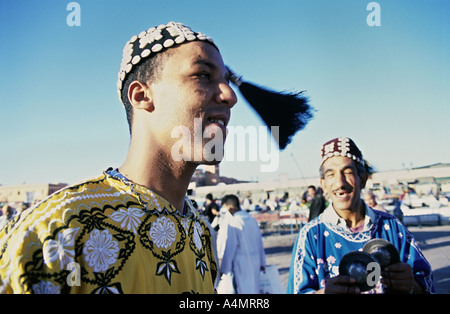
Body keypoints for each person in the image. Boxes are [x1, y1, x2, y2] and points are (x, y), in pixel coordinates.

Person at [0, 21, 238, 294]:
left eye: (227, 81)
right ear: (141, 95)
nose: (229, 96)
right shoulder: (53, 231)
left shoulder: (202, 232)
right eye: (203, 75)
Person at [287, 137, 433, 294]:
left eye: (348, 172)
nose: (340, 182)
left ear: (362, 179)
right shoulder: (310, 236)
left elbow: (426, 284)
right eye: (331, 175)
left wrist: (411, 285)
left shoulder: (392, 227)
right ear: (323, 184)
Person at [216, 195, 266, 294]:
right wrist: (262, 262)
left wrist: (224, 270)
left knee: (243, 290)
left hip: (241, 264)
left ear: (230, 208)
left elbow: (230, 248)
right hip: (255, 261)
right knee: (254, 290)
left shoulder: (234, 222)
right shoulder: (252, 220)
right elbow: (259, 242)